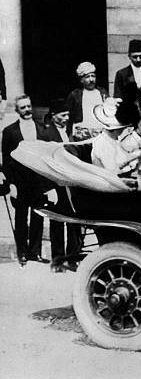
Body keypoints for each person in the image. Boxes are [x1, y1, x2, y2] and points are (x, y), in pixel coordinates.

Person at [1, 95, 52, 265]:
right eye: (23, 107)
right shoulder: (9, 132)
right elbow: (6, 160)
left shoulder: (42, 129)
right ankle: (22, 252)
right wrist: (11, 184)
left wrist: (47, 183)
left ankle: (35, 252)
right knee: (21, 218)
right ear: (17, 111)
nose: (27, 110)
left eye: (29, 106)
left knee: (38, 216)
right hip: (20, 181)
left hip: (38, 180)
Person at [39, 98, 81, 264]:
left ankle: (73, 257)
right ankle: (58, 259)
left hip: (72, 184)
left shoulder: (71, 131)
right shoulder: (46, 134)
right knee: (57, 222)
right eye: (63, 115)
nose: (66, 118)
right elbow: (43, 164)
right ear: (54, 115)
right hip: (56, 185)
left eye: (68, 115)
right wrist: (48, 189)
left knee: (74, 222)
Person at [66, 62, 109, 140]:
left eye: (93, 76)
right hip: (82, 135)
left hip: (100, 133)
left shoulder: (102, 92)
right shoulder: (75, 95)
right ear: (81, 80)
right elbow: (69, 117)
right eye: (87, 77)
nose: (91, 80)